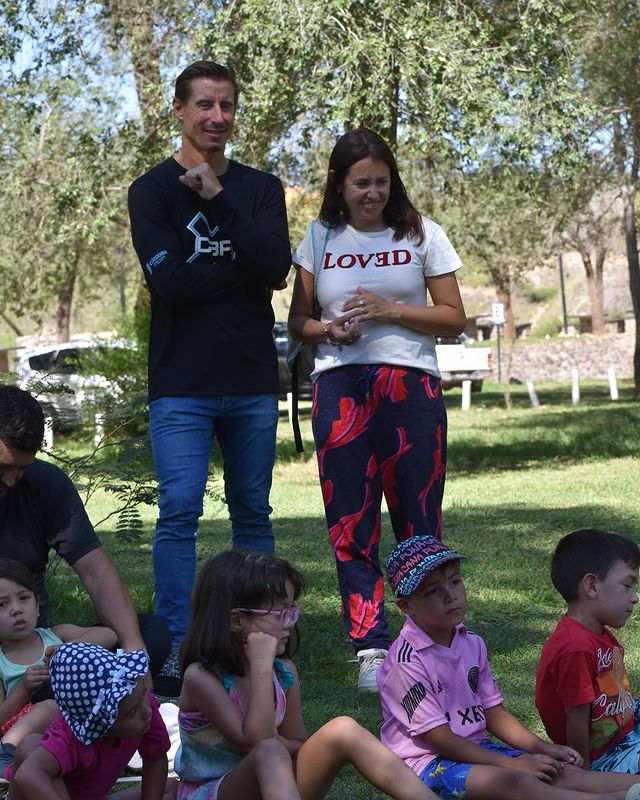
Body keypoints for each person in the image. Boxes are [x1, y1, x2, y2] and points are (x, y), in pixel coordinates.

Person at [128, 60, 291, 692]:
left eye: (225, 105)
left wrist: (220, 203)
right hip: (182, 385)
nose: (215, 117)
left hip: (251, 378)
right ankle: (173, 644)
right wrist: (240, 267)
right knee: (180, 514)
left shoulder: (257, 188)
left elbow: (275, 269)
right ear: (179, 110)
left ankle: (262, 637)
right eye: (203, 105)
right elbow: (167, 281)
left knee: (253, 511)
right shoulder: (151, 192)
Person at [287, 127, 466, 691]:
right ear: (339, 185)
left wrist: (392, 310)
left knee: (419, 514)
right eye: (361, 183)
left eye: (381, 182)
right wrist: (328, 330)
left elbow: (454, 316)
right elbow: (299, 323)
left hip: (410, 386)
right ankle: (370, 643)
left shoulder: (421, 232)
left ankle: (432, 635)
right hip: (340, 387)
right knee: (351, 517)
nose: (372, 193)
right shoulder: (318, 238)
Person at [377, 535, 640, 800]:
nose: (451, 595)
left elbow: (493, 711)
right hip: (428, 764)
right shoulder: (405, 663)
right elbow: (439, 738)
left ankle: (633, 788)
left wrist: (540, 747)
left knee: (559, 772)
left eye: (455, 581)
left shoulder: (470, 642)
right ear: (405, 605)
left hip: (477, 749)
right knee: (515, 782)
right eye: (433, 591)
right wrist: (512, 763)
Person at [172, 549, 442, 800]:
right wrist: (261, 666)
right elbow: (255, 743)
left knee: (343, 729)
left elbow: (299, 743)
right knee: (269, 751)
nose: (290, 622)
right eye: (280, 613)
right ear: (236, 620)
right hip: (213, 791)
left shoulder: (284, 671)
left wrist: (283, 743)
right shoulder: (202, 677)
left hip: (277, 785)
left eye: (291, 611)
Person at [0, 385, 169, 682]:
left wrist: (133, 652)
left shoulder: (46, 484)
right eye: (3, 468)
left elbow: (95, 571)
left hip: (35, 653)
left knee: (149, 635)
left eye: (22, 468)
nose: (12, 480)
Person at [8, 642, 171, 799]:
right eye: (132, 713)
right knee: (30, 746)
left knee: (169, 788)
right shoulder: (70, 739)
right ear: (101, 722)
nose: (146, 711)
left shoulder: (139, 702)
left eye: (144, 694)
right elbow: (27, 775)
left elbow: (156, 758)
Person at [0, 558, 117, 775]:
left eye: (24, 598)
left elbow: (108, 635)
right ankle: (6, 753)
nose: (16, 610)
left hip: (70, 720)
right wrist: (23, 689)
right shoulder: (2, 660)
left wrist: (65, 651)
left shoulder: (56, 635)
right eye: (2, 604)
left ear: (37, 606)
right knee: (51, 707)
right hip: (23, 726)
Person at [536, 529, 640, 772]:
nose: (635, 597)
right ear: (591, 586)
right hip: (605, 756)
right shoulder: (575, 646)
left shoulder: (596, 633)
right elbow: (576, 717)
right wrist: (585, 778)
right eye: (628, 585)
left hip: (624, 732)